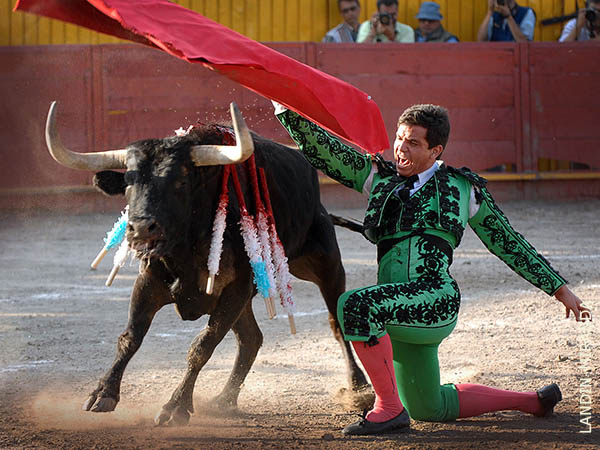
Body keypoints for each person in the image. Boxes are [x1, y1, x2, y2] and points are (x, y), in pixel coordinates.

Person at [271, 100, 590, 436]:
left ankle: (389, 409)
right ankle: (533, 402)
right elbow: (328, 152)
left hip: (434, 300)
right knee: (428, 406)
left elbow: (507, 242)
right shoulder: (379, 178)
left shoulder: (462, 188)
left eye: (413, 143)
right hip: (394, 307)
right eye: (399, 138)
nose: (401, 148)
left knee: (355, 305)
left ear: (435, 150)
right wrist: (284, 106)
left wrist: (559, 288)